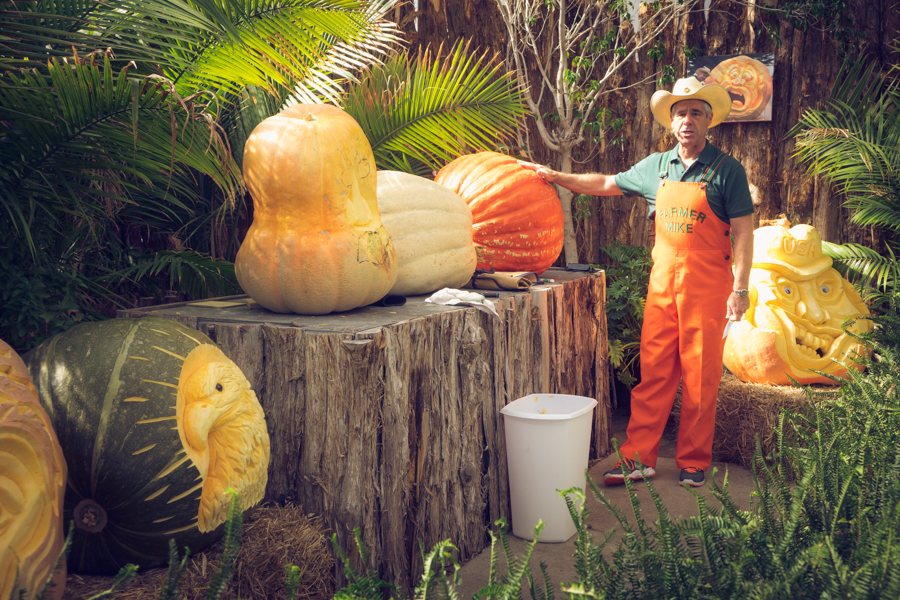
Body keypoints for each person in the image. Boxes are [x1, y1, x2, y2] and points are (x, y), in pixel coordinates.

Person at [519, 76, 755, 488]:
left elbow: (743, 233)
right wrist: (557, 177)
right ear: (671, 121)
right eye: (680, 113)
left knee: (700, 376)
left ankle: (694, 461)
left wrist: (740, 289)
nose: (687, 120)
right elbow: (606, 183)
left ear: (709, 120)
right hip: (662, 285)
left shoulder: (727, 171)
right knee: (655, 372)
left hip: (708, 288)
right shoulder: (655, 167)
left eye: (695, 112)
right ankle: (638, 458)